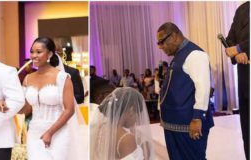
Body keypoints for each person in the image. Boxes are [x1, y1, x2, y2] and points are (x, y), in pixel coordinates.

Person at [0, 37, 85, 160]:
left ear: (49, 54)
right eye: (32, 52)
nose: (34, 55)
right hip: (35, 132)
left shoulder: (62, 77)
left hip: (58, 131)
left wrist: (50, 132)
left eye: (38, 52)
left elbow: (69, 110)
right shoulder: (28, 78)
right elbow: (26, 109)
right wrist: (7, 105)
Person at [157, 22, 214, 159]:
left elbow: (203, 87)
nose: (161, 47)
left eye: (162, 42)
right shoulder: (179, 55)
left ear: (175, 36)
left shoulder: (195, 54)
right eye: (158, 43)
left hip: (188, 125)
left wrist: (197, 117)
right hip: (174, 123)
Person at [91, 87, 154, 160]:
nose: (137, 121)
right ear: (131, 110)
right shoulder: (126, 138)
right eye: (138, 115)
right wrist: (146, 155)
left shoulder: (102, 126)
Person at [225, 2, 250, 160]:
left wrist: (240, 48)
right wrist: (236, 54)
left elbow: (236, 46)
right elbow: (229, 41)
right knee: (247, 130)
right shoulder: (242, 9)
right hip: (245, 77)